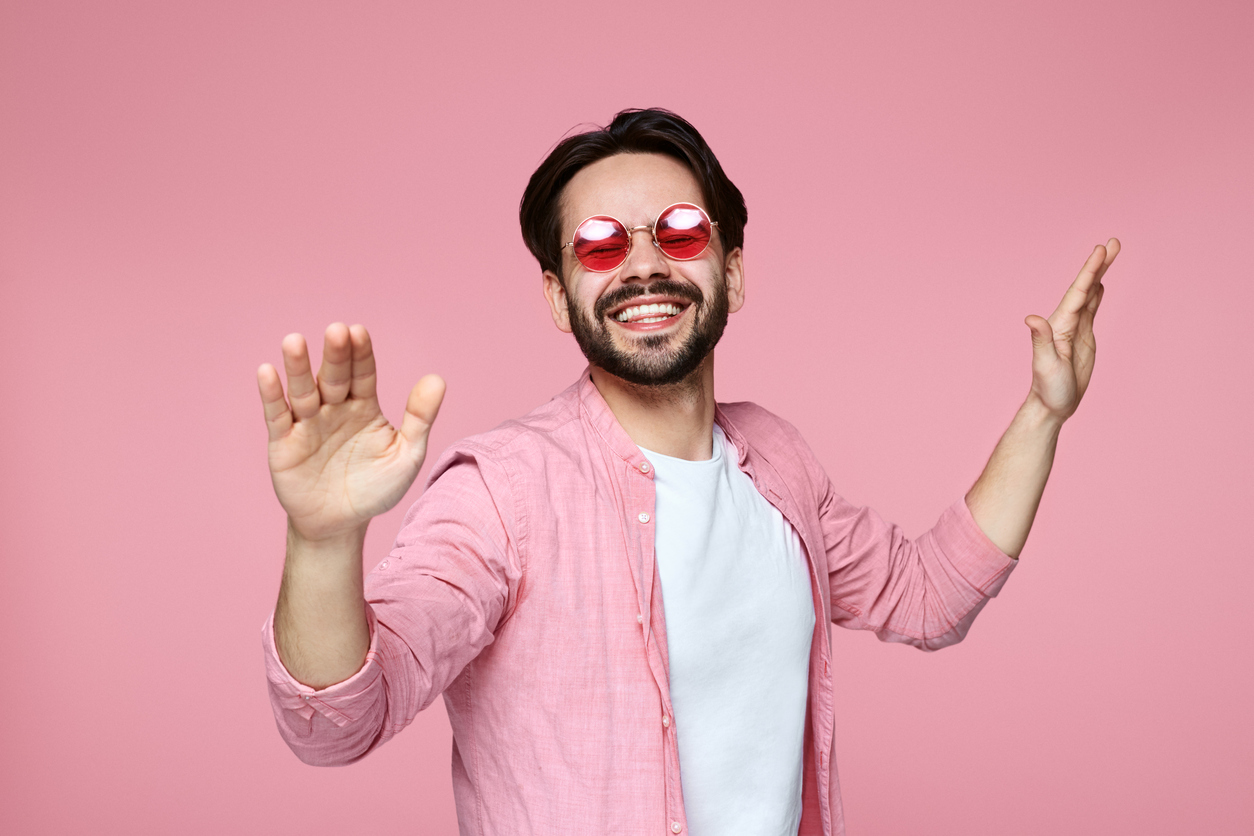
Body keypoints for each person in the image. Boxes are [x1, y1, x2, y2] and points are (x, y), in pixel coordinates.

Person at [257, 108, 1118, 836]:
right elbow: (336, 724)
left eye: (679, 232)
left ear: (731, 273)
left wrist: (1044, 413)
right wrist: (322, 541)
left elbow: (928, 596)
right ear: (557, 296)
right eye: (599, 245)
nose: (643, 265)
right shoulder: (501, 493)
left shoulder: (777, 462)